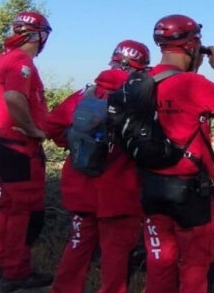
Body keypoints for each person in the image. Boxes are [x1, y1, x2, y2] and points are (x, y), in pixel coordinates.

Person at [142, 14, 214, 293]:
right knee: (195, 267)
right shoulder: (193, 85)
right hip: (190, 192)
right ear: (192, 46)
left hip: (149, 186)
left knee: (159, 262)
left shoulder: (141, 81)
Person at [46, 40, 150, 293]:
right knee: (115, 253)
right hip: (119, 192)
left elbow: (51, 126)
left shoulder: (85, 94)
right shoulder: (139, 99)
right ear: (141, 69)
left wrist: (75, 145)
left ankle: (64, 289)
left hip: (80, 185)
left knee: (79, 241)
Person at [0, 11, 54, 292]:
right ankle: (16, 272)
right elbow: (13, 97)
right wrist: (33, 130)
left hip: (0, 141)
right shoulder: (22, 63)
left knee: (7, 207)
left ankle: (1, 263)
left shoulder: (0, 60)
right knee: (25, 211)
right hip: (20, 148)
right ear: (41, 35)